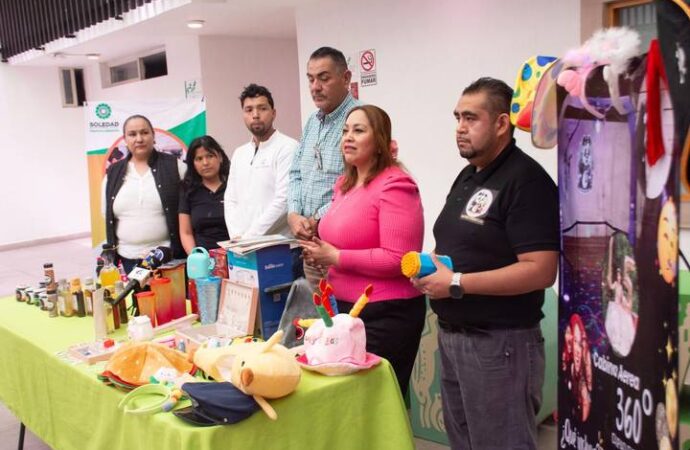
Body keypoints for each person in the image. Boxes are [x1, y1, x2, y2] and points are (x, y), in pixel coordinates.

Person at [412, 77, 559, 449]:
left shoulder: (526, 181)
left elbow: (541, 269)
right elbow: (466, 244)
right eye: (457, 118)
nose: (460, 128)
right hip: (454, 337)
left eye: (471, 118)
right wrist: (433, 268)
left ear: (501, 123)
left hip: (500, 344)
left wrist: (458, 281)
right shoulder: (469, 176)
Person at [300, 105, 425, 395]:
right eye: (345, 131)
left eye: (359, 130)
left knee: (373, 405)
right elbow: (344, 241)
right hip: (343, 313)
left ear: (380, 140)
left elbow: (399, 258)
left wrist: (336, 257)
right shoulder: (344, 184)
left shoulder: (396, 185)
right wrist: (319, 251)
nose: (348, 137)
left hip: (385, 315)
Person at [287, 46, 360, 286]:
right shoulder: (312, 121)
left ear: (346, 78)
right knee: (322, 319)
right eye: (310, 79)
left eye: (324, 78)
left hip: (343, 249)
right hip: (311, 246)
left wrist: (318, 220)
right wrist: (294, 214)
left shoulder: (359, 120)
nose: (315, 87)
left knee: (346, 320)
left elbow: (358, 185)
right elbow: (296, 173)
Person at [103, 115, 187, 273]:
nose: (139, 139)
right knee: (132, 298)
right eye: (132, 134)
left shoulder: (175, 167)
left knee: (168, 299)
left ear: (153, 136)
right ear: (125, 139)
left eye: (144, 132)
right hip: (126, 259)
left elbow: (188, 211)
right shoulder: (113, 173)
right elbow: (106, 213)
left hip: (167, 259)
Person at [224, 84, 298, 240]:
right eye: (249, 110)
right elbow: (231, 199)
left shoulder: (288, 147)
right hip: (242, 246)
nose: (255, 115)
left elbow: (283, 201)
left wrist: (249, 238)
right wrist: (237, 235)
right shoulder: (239, 153)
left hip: (278, 246)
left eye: (262, 108)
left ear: (273, 113)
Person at [179, 135, 231, 253]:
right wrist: (196, 257)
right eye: (199, 159)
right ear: (193, 164)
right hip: (202, 260)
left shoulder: (233, 186)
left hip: (235, 258)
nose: (205, 163)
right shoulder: (187, 190)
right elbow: (185, 232)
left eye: (210, 156)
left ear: (220, 157)